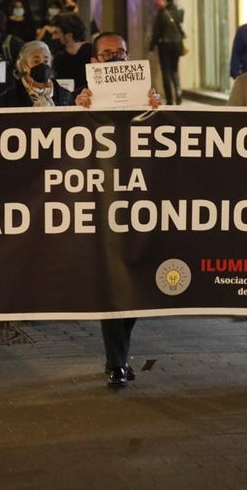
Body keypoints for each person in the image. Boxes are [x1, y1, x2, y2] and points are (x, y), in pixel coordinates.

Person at [74, 32, 162, 387]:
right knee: (112, 282)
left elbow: (168, 139)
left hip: (141, 201)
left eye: (121, 52)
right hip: (101, 202)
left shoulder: (146, 95)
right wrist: (76, 109)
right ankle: (116, 362)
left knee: (136, 282)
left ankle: (119, 353)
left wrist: (157, 108)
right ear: (94, 61)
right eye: (107, 53)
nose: (115, 59)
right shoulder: (82, 99)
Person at [0, 40, 74, 107]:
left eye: (46, 61)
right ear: (24, 65)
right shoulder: (6, 99)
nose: (42, 65)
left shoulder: (65, 96)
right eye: (36, 61)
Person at [149, 0, 185, 105]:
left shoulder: (162, 13)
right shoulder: (179, 11)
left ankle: (169, 99)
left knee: (166, 71)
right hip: (177, 44)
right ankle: (178, 92)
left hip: (165, 45)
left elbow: (157, 32)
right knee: (174, 69)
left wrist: (151, 46)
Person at [50, 13, 92, 93]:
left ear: (69, 35)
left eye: (56, 33)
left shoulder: (91, 52)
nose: (53, 37)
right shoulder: (59, 58)